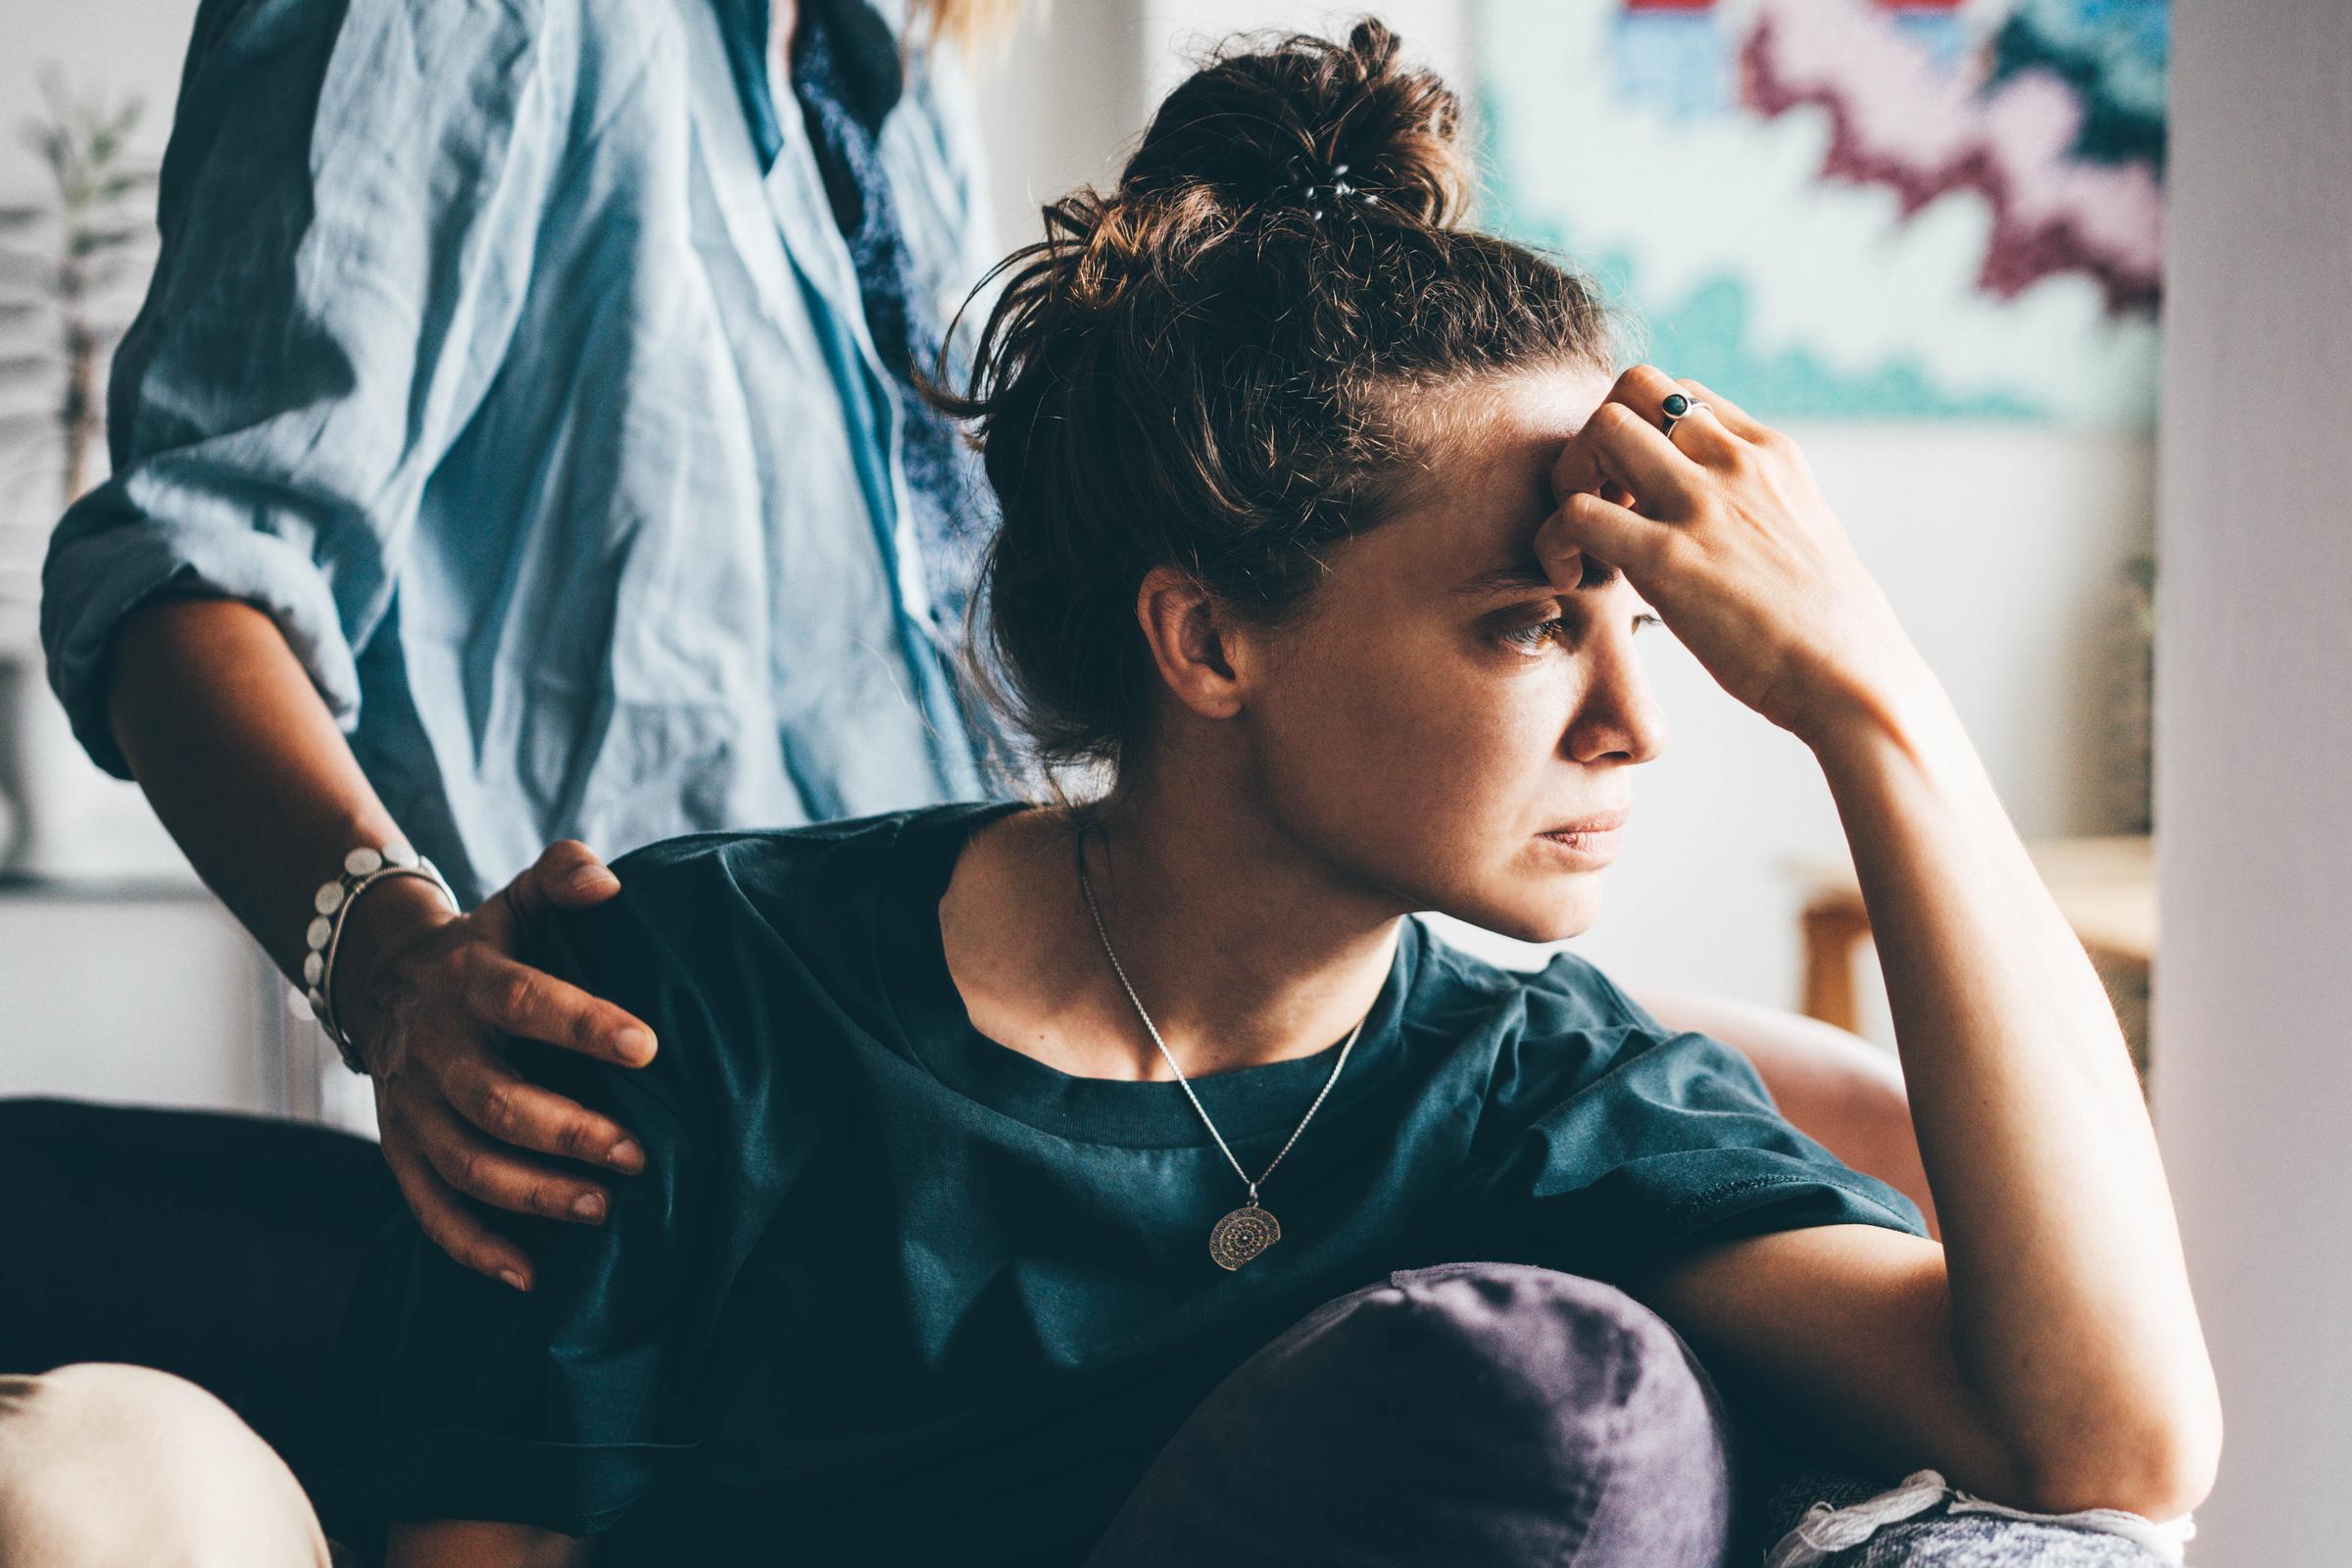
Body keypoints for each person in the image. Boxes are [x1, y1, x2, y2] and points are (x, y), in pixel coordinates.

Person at [0, 21, 2215, 1568]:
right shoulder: (663, 1001)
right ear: (1208, 638)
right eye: (1539, 621)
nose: (1639, 722)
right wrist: (388, 949)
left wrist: (1879, 705)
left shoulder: (1539, 1094)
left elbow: (2116, 1445)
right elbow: (200, 554)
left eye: (1634, 621)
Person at [36, 0, 1021, 1292]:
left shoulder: (894, 77)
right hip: (616, 1230)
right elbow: (191, 581)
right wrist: (391, 971)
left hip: (913, 1217)